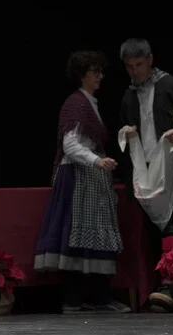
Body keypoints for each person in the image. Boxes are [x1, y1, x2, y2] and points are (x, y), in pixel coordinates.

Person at [34, 50, 131, 313]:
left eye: (100, 71)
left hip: (90, 175)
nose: (100, 76)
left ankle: (96, 296)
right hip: (78, 176)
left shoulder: (88, 102)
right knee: (76, 234)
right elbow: (70, 145)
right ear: (81, 74)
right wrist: (96, 160)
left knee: (93, 235)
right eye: (94, 71)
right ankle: (76, 298)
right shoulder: (76, 103)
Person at [117, 38, 173, 312]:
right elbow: (124, 125)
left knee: (172, 223)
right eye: (129, 66)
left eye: (139, 64)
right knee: (152, 230)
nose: (134, 71)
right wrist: (126, 132)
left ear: (150, 60)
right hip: (146, 170)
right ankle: (160, 286)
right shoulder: (129, 95)